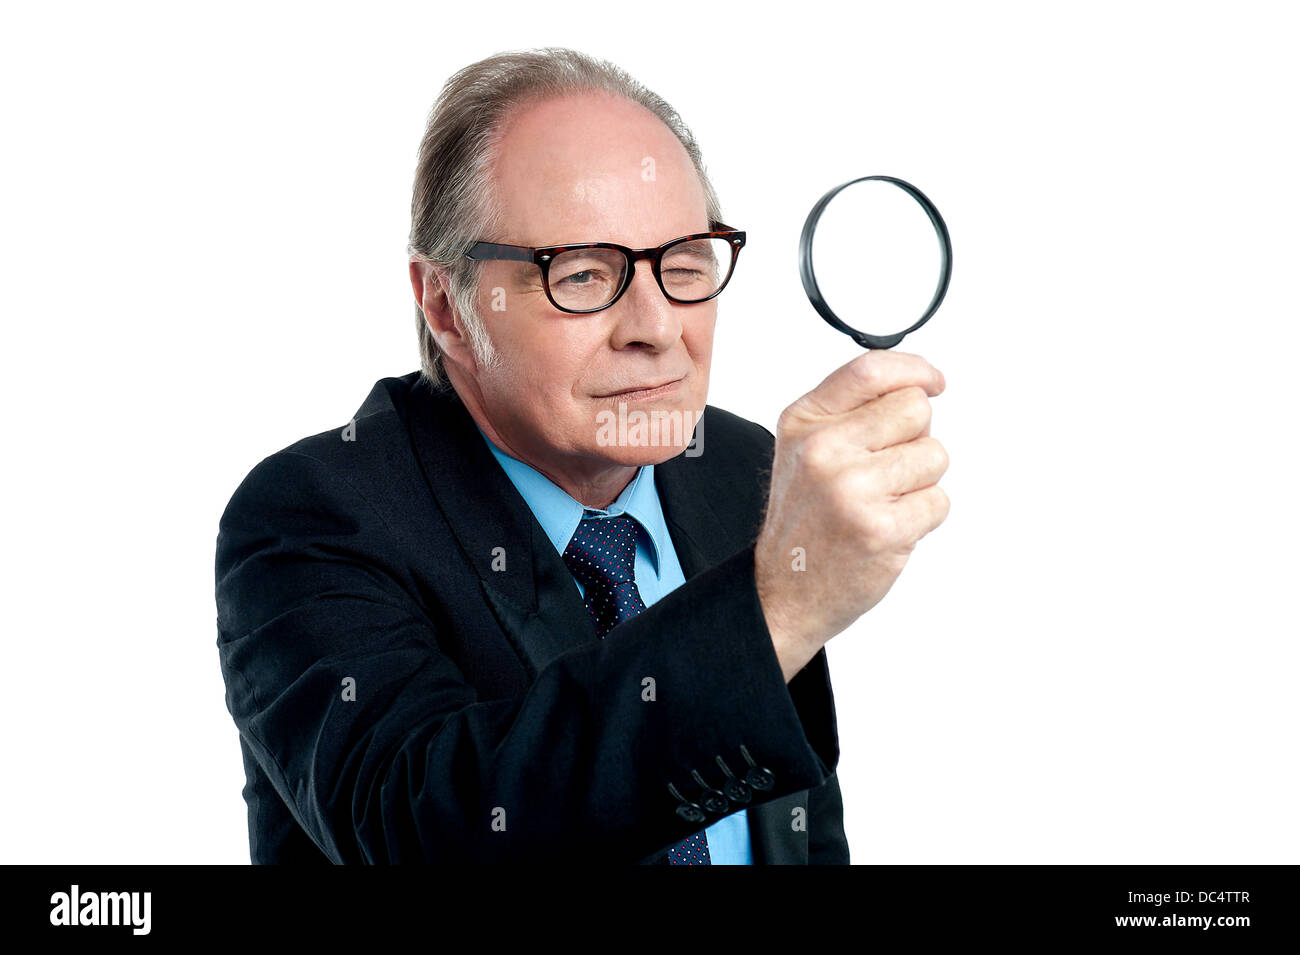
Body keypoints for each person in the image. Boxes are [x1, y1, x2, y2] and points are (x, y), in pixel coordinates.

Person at [214, 47, 949, 865]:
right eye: (585, 274)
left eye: (684, 264)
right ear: (447, 306)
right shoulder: (312, 518)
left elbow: (798, 822)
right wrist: (773, 612)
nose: (658, 327)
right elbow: (429, 829)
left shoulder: (741, 466)